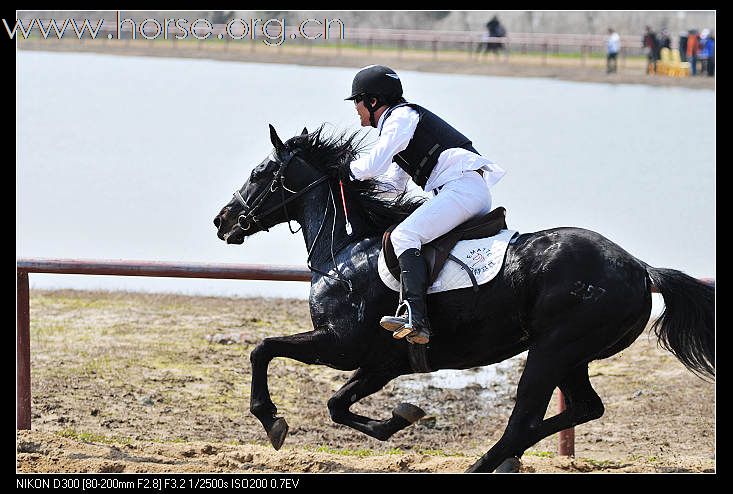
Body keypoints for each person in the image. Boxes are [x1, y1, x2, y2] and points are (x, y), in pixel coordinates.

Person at [341, 65, 505, 345]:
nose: (355, 108)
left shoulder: (400, 117)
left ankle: (415, 317)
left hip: (462, 190)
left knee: (404, 235)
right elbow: (393, 186)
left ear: (372, 101)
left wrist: (341, 170)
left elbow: (373, 164)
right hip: (462, 190)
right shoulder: (402, 126)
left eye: (357, 100)